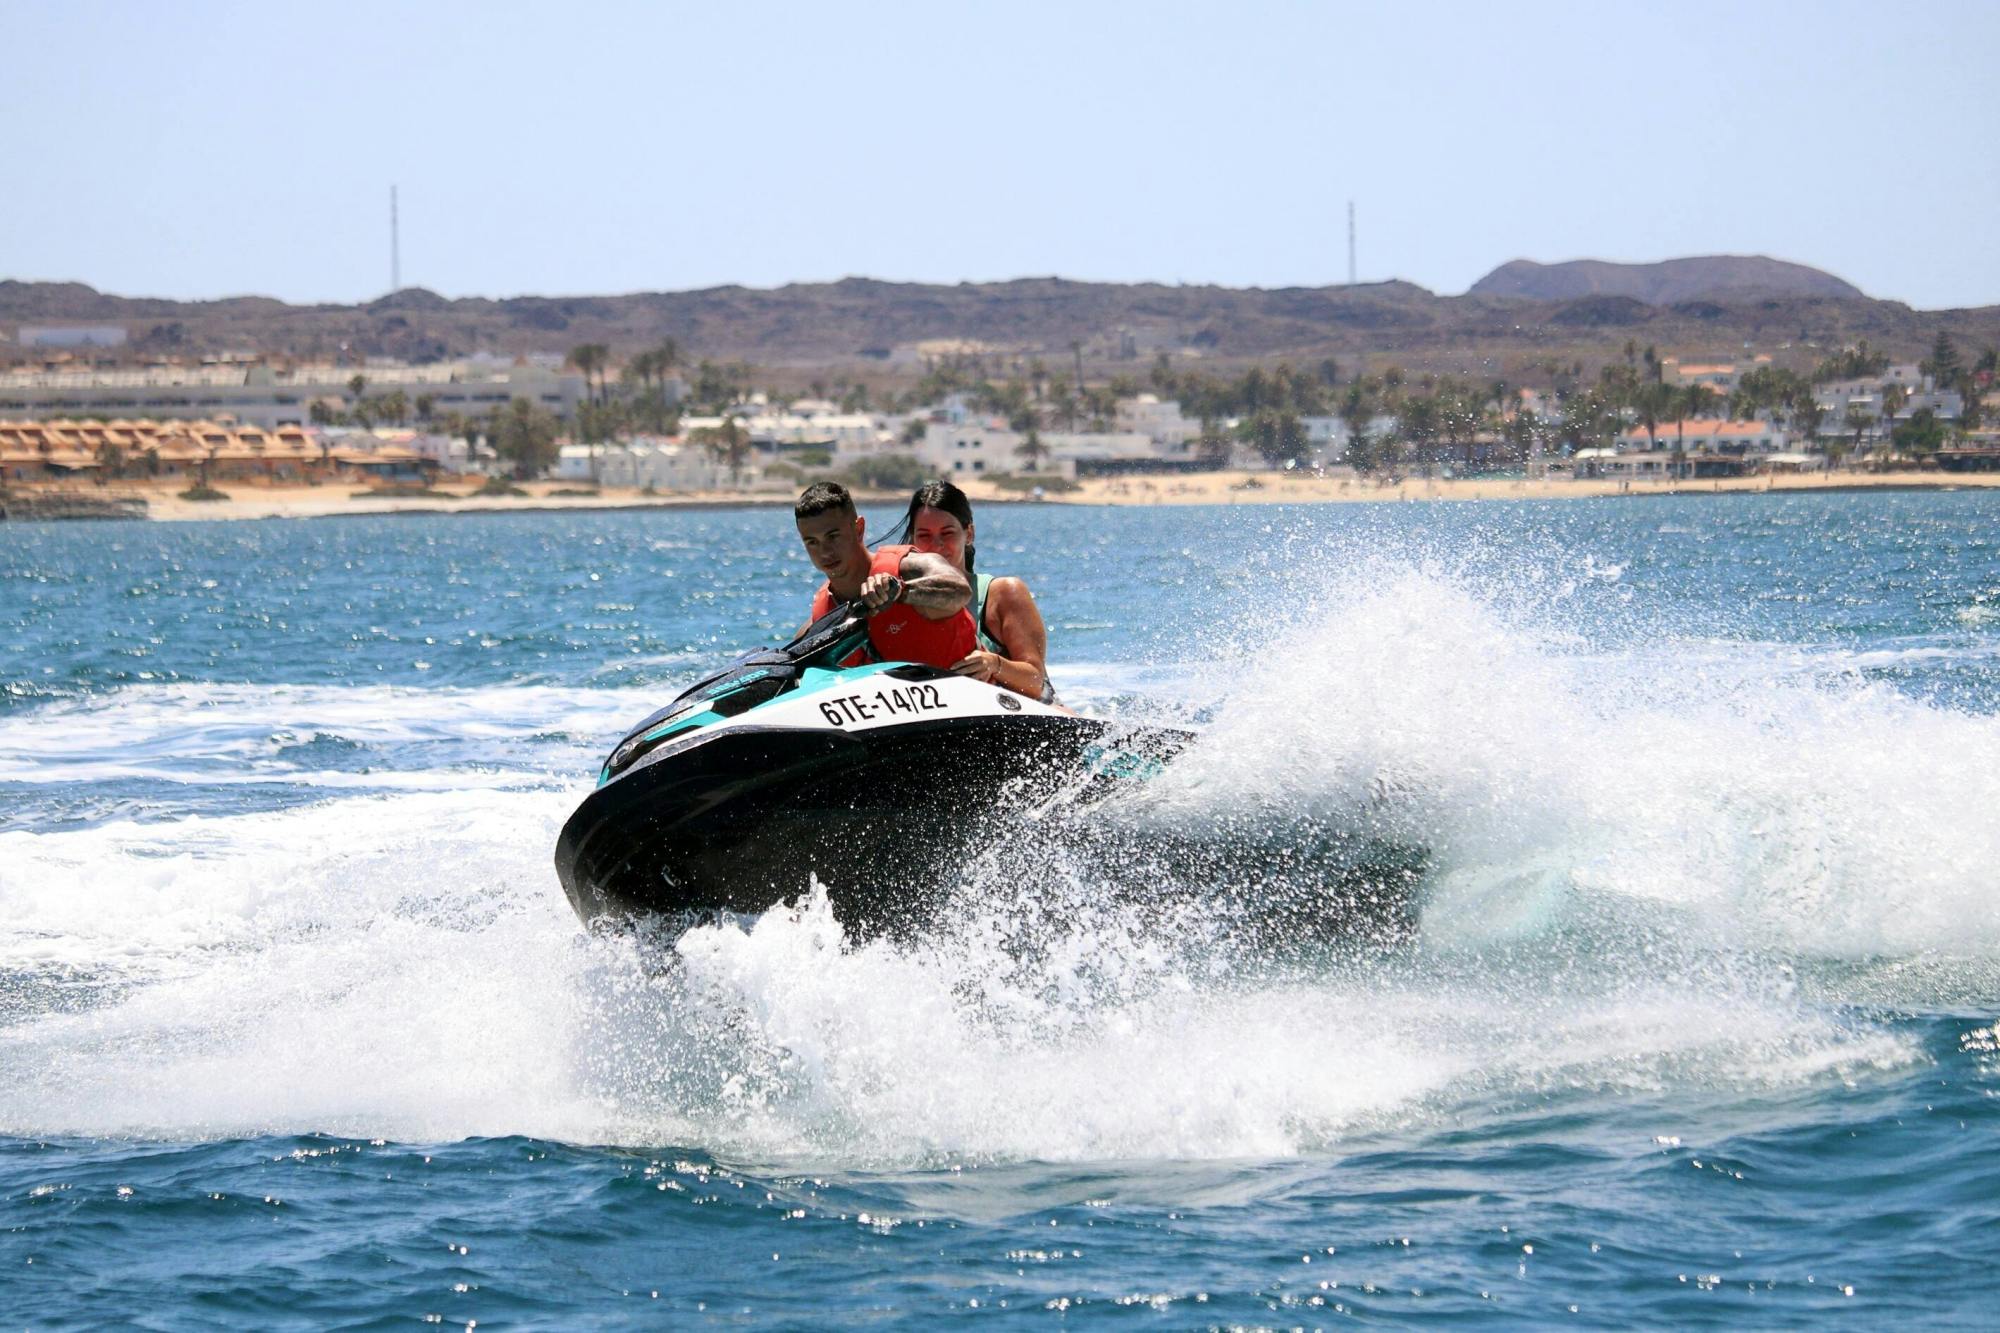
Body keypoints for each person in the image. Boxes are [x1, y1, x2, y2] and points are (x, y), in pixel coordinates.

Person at [896, 479, 1057, 704]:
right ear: (912, 539)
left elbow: (1037, 682)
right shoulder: (897, 599)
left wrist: (993, 664)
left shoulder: (1003, 593)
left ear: (968, 534)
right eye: (924, 535)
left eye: (947, 533)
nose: (936, 545)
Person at [793, 481, 976, 668]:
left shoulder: (908, 567)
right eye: (812, 542)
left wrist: (899, 591)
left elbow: (961, 590)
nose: (825, 552)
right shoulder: (821, 621)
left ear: (859, 529)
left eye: (833, 536)